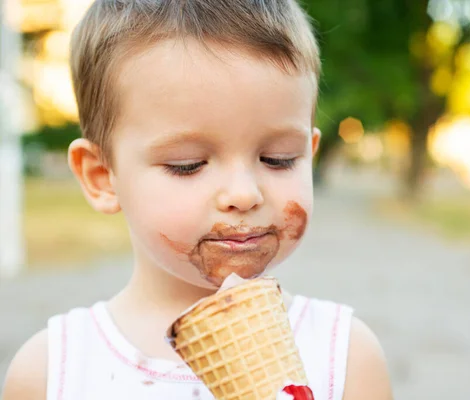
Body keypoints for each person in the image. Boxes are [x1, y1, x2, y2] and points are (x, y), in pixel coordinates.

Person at [2, 1, 393, 399]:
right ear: (102, 176)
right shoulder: (52, 371)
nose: (243, 194)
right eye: (187, 165)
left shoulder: (345, 358)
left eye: (279, 159)